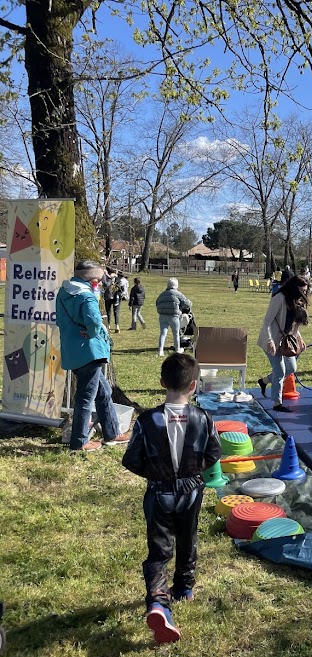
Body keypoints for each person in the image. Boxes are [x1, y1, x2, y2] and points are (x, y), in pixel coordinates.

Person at [121, 353, 221, 644]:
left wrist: (155, 473)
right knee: (188, 538)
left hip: (159, 491)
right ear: (193, 386)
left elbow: (131, 459)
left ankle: (157, 602)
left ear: (162, 383)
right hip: (191, 491)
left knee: (158, 549)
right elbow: (214, 453)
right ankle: (184, 589)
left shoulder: (147, 420)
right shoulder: (204, 418)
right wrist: (193, 470)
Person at [56, 260, 127, 452]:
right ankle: (79, 442)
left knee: (104, 392)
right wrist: (93, 332)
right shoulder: (87, 297)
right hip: (89, 351)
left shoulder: (63, 292)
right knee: (85, 398)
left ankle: (112, 433)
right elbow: (95, 322)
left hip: (73, 351)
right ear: (94, 280)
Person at [257, 275, 310, 412]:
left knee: (291, 368)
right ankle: (277, 403)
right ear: (294, 288)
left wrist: (300, 338)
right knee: (279, 371)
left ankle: (264, 381)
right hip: (272, 340)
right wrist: (270, 341)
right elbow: (267, 321)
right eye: (302, 290)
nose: (304, 293)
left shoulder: (298, 301)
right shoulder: (279, 298)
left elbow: (292, 324)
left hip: (287, 342)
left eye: (305, 291)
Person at [155, 278, 192, 357]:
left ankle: (160, 351)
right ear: (176, 285)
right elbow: (187, 303)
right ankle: (177, 350)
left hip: (162, 316)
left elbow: (157, 302)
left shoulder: (162, 294)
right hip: (173, 316)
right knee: (176, 334)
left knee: (163, 333)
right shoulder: (177, 294)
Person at [103, 268, 123, 333]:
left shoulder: (108, 279)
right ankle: (116, 325)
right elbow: (121, 288)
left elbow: (105, 285)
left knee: (108, 311)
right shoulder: (118, 280)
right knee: (116, 311)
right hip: (116, 297)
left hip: (109, 297)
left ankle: (109, 325)